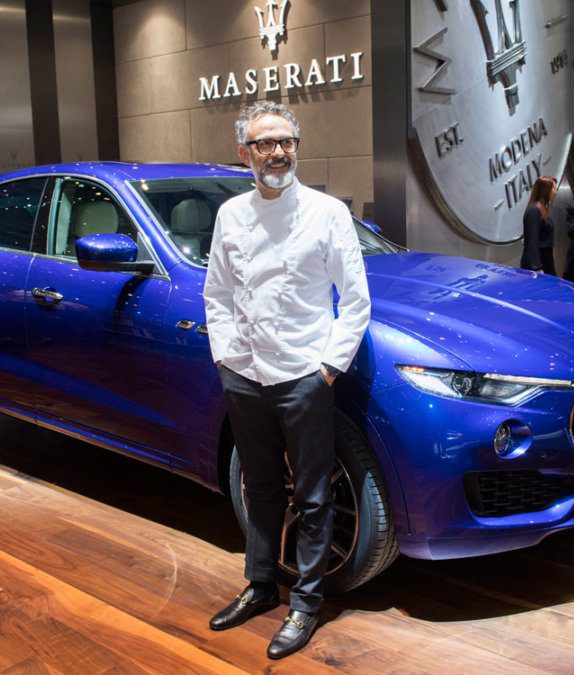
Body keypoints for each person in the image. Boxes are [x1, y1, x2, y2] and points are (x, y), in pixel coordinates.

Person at [203, 101, 371, 660]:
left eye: (286, 141)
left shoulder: (327, 213)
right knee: (259, 486)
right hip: (244, 373)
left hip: (303, 373)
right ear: (244, 154)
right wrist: (225, 358)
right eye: (264, 143)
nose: (277, 152)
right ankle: (259, 585)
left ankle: (305, 603)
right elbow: (217, 293)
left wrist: (327, 368)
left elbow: (356, 302)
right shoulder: (231, 215)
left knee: (314, 495)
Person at [520, 176, 558, 275]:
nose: (556, 192)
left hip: (545, 259)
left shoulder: (543, 209)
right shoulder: (534, 210)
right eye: (554, 188)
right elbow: (532, 240)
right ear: (546, 190)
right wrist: (536, 267)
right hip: (537, 263)